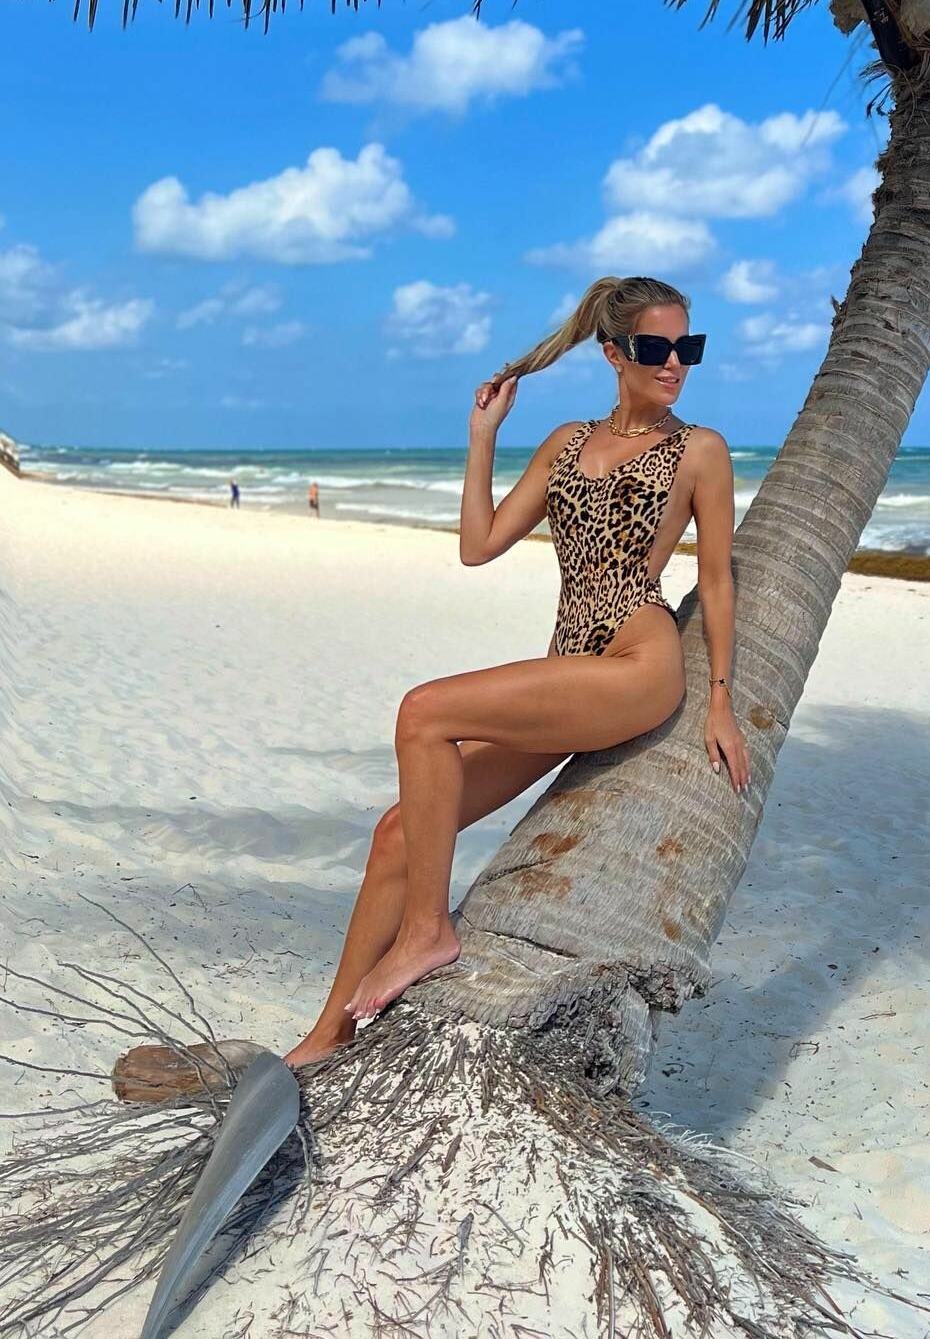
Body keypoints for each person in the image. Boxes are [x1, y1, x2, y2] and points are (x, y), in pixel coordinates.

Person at [284, 274, 748, 1066]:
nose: (675, 364)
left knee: (423, 711)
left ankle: (427, 932)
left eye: (688, 348)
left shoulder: (700, 450)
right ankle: (328, 1036)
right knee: (397, 833)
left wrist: (721, 701)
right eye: (657, 348)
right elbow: (480, 544)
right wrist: (482, 437)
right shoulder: (566, 443)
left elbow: (716, 580)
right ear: (614, 353)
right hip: (571, 671)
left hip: (637, 663)